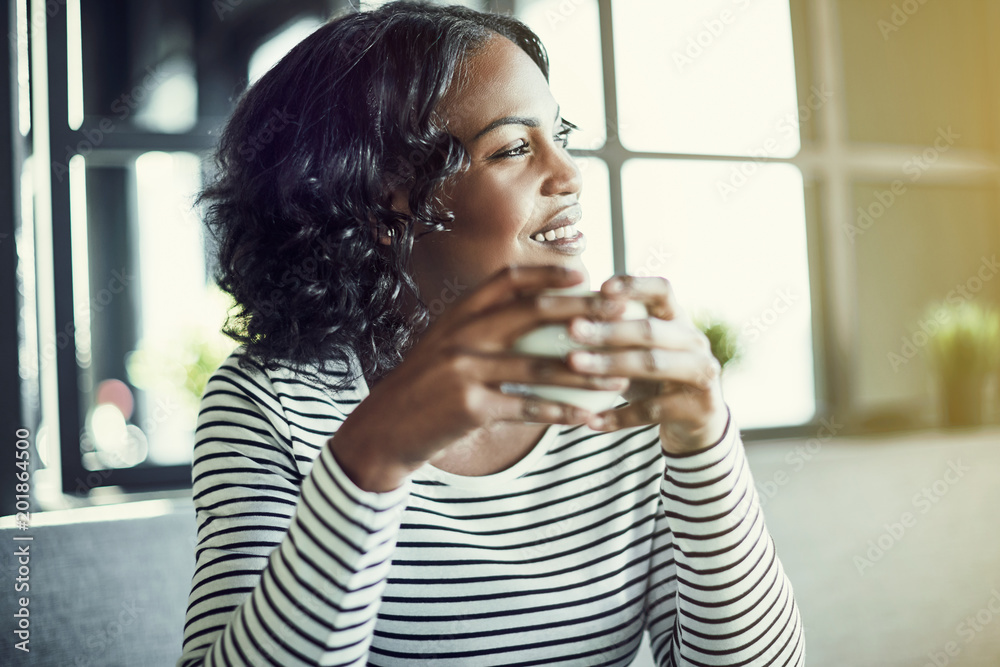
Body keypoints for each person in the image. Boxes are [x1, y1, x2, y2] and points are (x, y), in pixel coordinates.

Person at [177, 2, 805, 665]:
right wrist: (374, 458)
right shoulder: (269, 406)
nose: (569, 175)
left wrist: (705, 442)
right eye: (513, 148)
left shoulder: (625, 392)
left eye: (561, 135)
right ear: (383, 202)